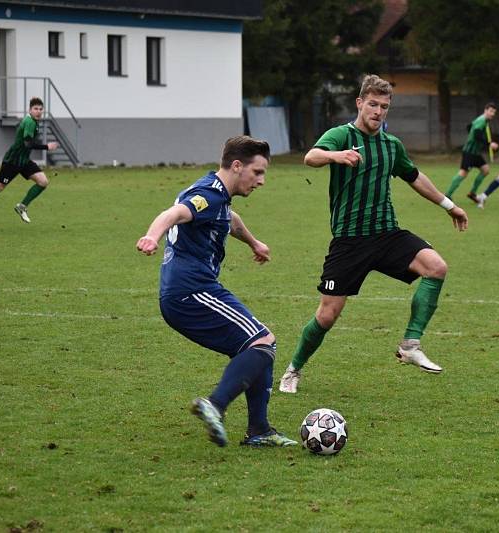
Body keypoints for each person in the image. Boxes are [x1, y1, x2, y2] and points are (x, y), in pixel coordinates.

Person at [279, 74, 469, 394]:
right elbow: (310, 157)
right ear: (359, 103)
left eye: (384, 107)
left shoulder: (391, 145)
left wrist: (449, 205)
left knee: (436, 267)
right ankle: (293, 370)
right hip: (350, 241)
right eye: (373, 105)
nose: (378, 112)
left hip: (386, 234)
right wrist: (336, 156)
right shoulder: (341, 135)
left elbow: (414, 176)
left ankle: (410, 344)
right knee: (327, 315)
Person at [136, 135, 296, 448]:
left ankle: (259, 430)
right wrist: (152, 236)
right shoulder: (206, 194)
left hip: (183, 293)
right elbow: (174, 214)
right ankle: (216, 405)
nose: (261, 181)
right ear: (237, 166)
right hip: (192, 291)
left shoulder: (217, 193)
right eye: (258, 172)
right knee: (263, 343)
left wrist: (253, 242)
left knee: (257, 347)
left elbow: (229, 220)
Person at [0, 97, 59, 230]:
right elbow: (27, 143)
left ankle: (22, 206)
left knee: (43, 181)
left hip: (23, 161)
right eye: (35, 109)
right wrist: (47, 147)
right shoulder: (29, 122)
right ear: (29, 110)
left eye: (41, 109)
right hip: (12, 161)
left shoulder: (34, 121)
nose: (38, 111)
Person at [446, 102, 499, 203]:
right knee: (463, 173)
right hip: (469, 152)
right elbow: (477, 134)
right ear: (486, 110)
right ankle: (447, 195)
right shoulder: (482, 120)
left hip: (476, 153)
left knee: (485, 170)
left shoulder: (481, 119)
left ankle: (472, 193)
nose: (492, 114)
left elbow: (469, 127)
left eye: (494, 112)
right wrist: (489, 144)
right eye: (491, 111)